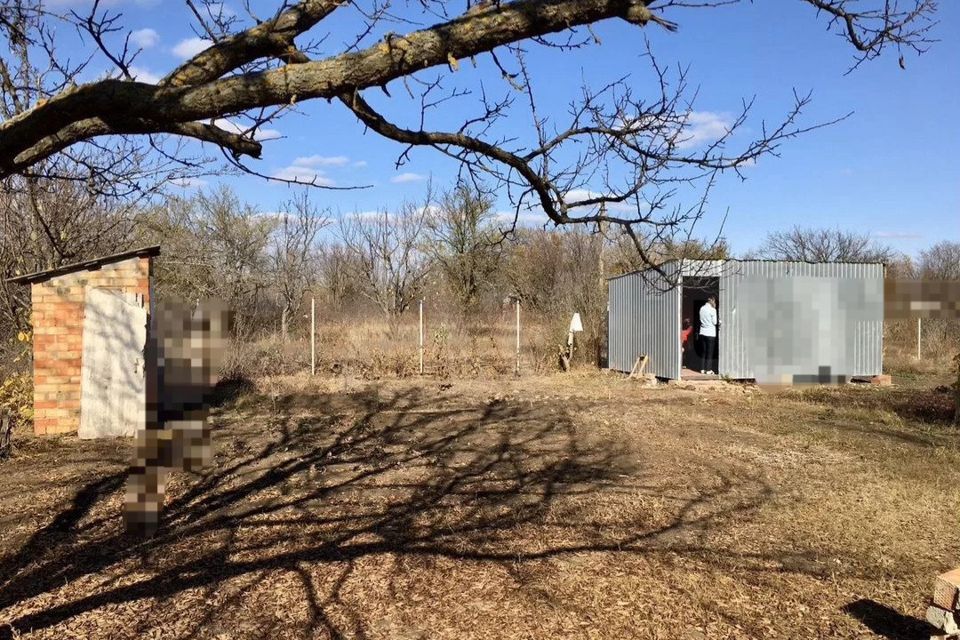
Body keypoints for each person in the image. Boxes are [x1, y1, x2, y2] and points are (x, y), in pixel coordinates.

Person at [698, 296, 718, 374]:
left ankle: (702, 369)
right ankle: (708, 370)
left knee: (703, 351)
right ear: (712, 301)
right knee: (710, 352)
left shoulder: (702, 308)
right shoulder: (713, 310)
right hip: (710, 333)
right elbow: (715, 322)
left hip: (702, 332)